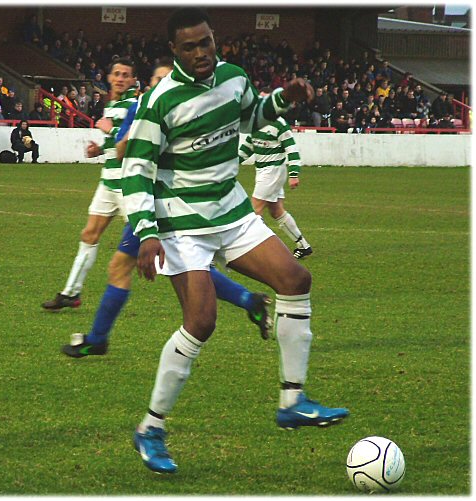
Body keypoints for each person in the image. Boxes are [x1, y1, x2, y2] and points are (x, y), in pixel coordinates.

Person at [122, 8, 348, 474]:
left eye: (206, 42)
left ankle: (293, 401)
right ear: (174, 51)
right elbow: (136, 172)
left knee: (295, 277)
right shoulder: (159, 102)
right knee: (201, 322)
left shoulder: (234, 77)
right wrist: (146, 234)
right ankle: (151, 428)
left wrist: (284, 98)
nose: (202, 53)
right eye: (191, 47)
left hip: (230, 209)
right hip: (180, 222)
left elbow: (254, 116)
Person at [61, 59, 272, 358]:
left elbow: (125, 152)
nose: (160, 84)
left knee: (131, 267)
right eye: (156, 79)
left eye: (165, 78)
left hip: (156, 202)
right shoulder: (164, 105)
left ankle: (97, 338)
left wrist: (112, 134)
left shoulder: (148, 108)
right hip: (165, 199)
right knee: (180, 267)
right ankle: (249, 301)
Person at [41, 58, 138, 311]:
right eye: (116, 73)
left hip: (128, 183)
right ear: (108, 77)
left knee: (150, 240)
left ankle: (204, 269)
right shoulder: (112, 104)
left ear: (132, 80)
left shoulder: (134, 105)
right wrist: (100, 150)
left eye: (125, 75)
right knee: (89, 234)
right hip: (108, 181)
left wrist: (109, 132)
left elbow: (134, 144)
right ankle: (70, 293)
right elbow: (115, 146)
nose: (119, 78)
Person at [239, 116, 312, 259]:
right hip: (262, 171)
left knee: (254, 211)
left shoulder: (279, 124)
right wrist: (229, 163)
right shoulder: (254, 122)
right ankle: (303, 245)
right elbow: (248, 147)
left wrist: (294, 174)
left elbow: (292, 150)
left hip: (273, 171)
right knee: (276, 211)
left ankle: (259, 251)